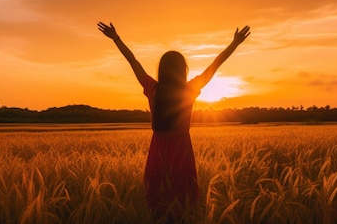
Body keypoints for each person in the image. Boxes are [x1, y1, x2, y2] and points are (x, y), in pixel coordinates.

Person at [97, 22, 250, 220]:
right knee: (183, 201)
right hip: (182, 151)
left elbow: (132, 61)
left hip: (158, 151)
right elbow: (215, 66)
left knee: (157, 199)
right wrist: (234, 44)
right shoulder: (189, 90)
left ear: (162, 69)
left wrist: (116, 39)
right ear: (182, 71)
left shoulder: (153, 89)